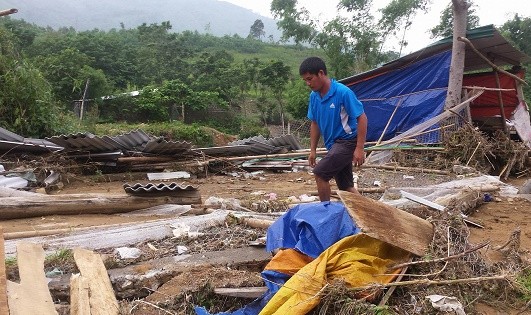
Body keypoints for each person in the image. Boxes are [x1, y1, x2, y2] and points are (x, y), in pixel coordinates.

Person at [299, 57, 368, 201]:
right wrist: (313, 150)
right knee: (346, 186)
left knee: (320, 174)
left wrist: (360, 148)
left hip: (346, 141)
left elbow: (361, 117)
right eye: (305, 80)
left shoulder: (343, 92)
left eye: (310, 79)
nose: (308, 83)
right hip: (333, 145)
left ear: (321, 73)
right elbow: (315, 123)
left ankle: (326, 213)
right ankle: (375, 213)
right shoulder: (314, 97)